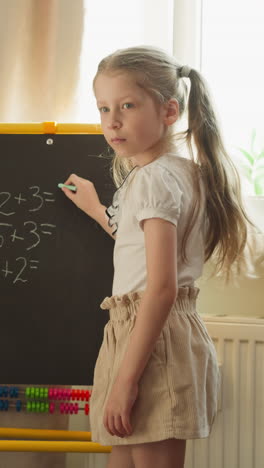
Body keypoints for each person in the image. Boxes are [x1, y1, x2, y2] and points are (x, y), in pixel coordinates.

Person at [60, 45, 250, 468]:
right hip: (151, 332)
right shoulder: (179, 172)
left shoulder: (151, 180)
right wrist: (96, 209)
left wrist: (126, 382)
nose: (112, 121)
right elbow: (142, 250)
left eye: (127, 105)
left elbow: (160, 288)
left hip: (149, 336)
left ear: (168, 111)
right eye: (104, 108)